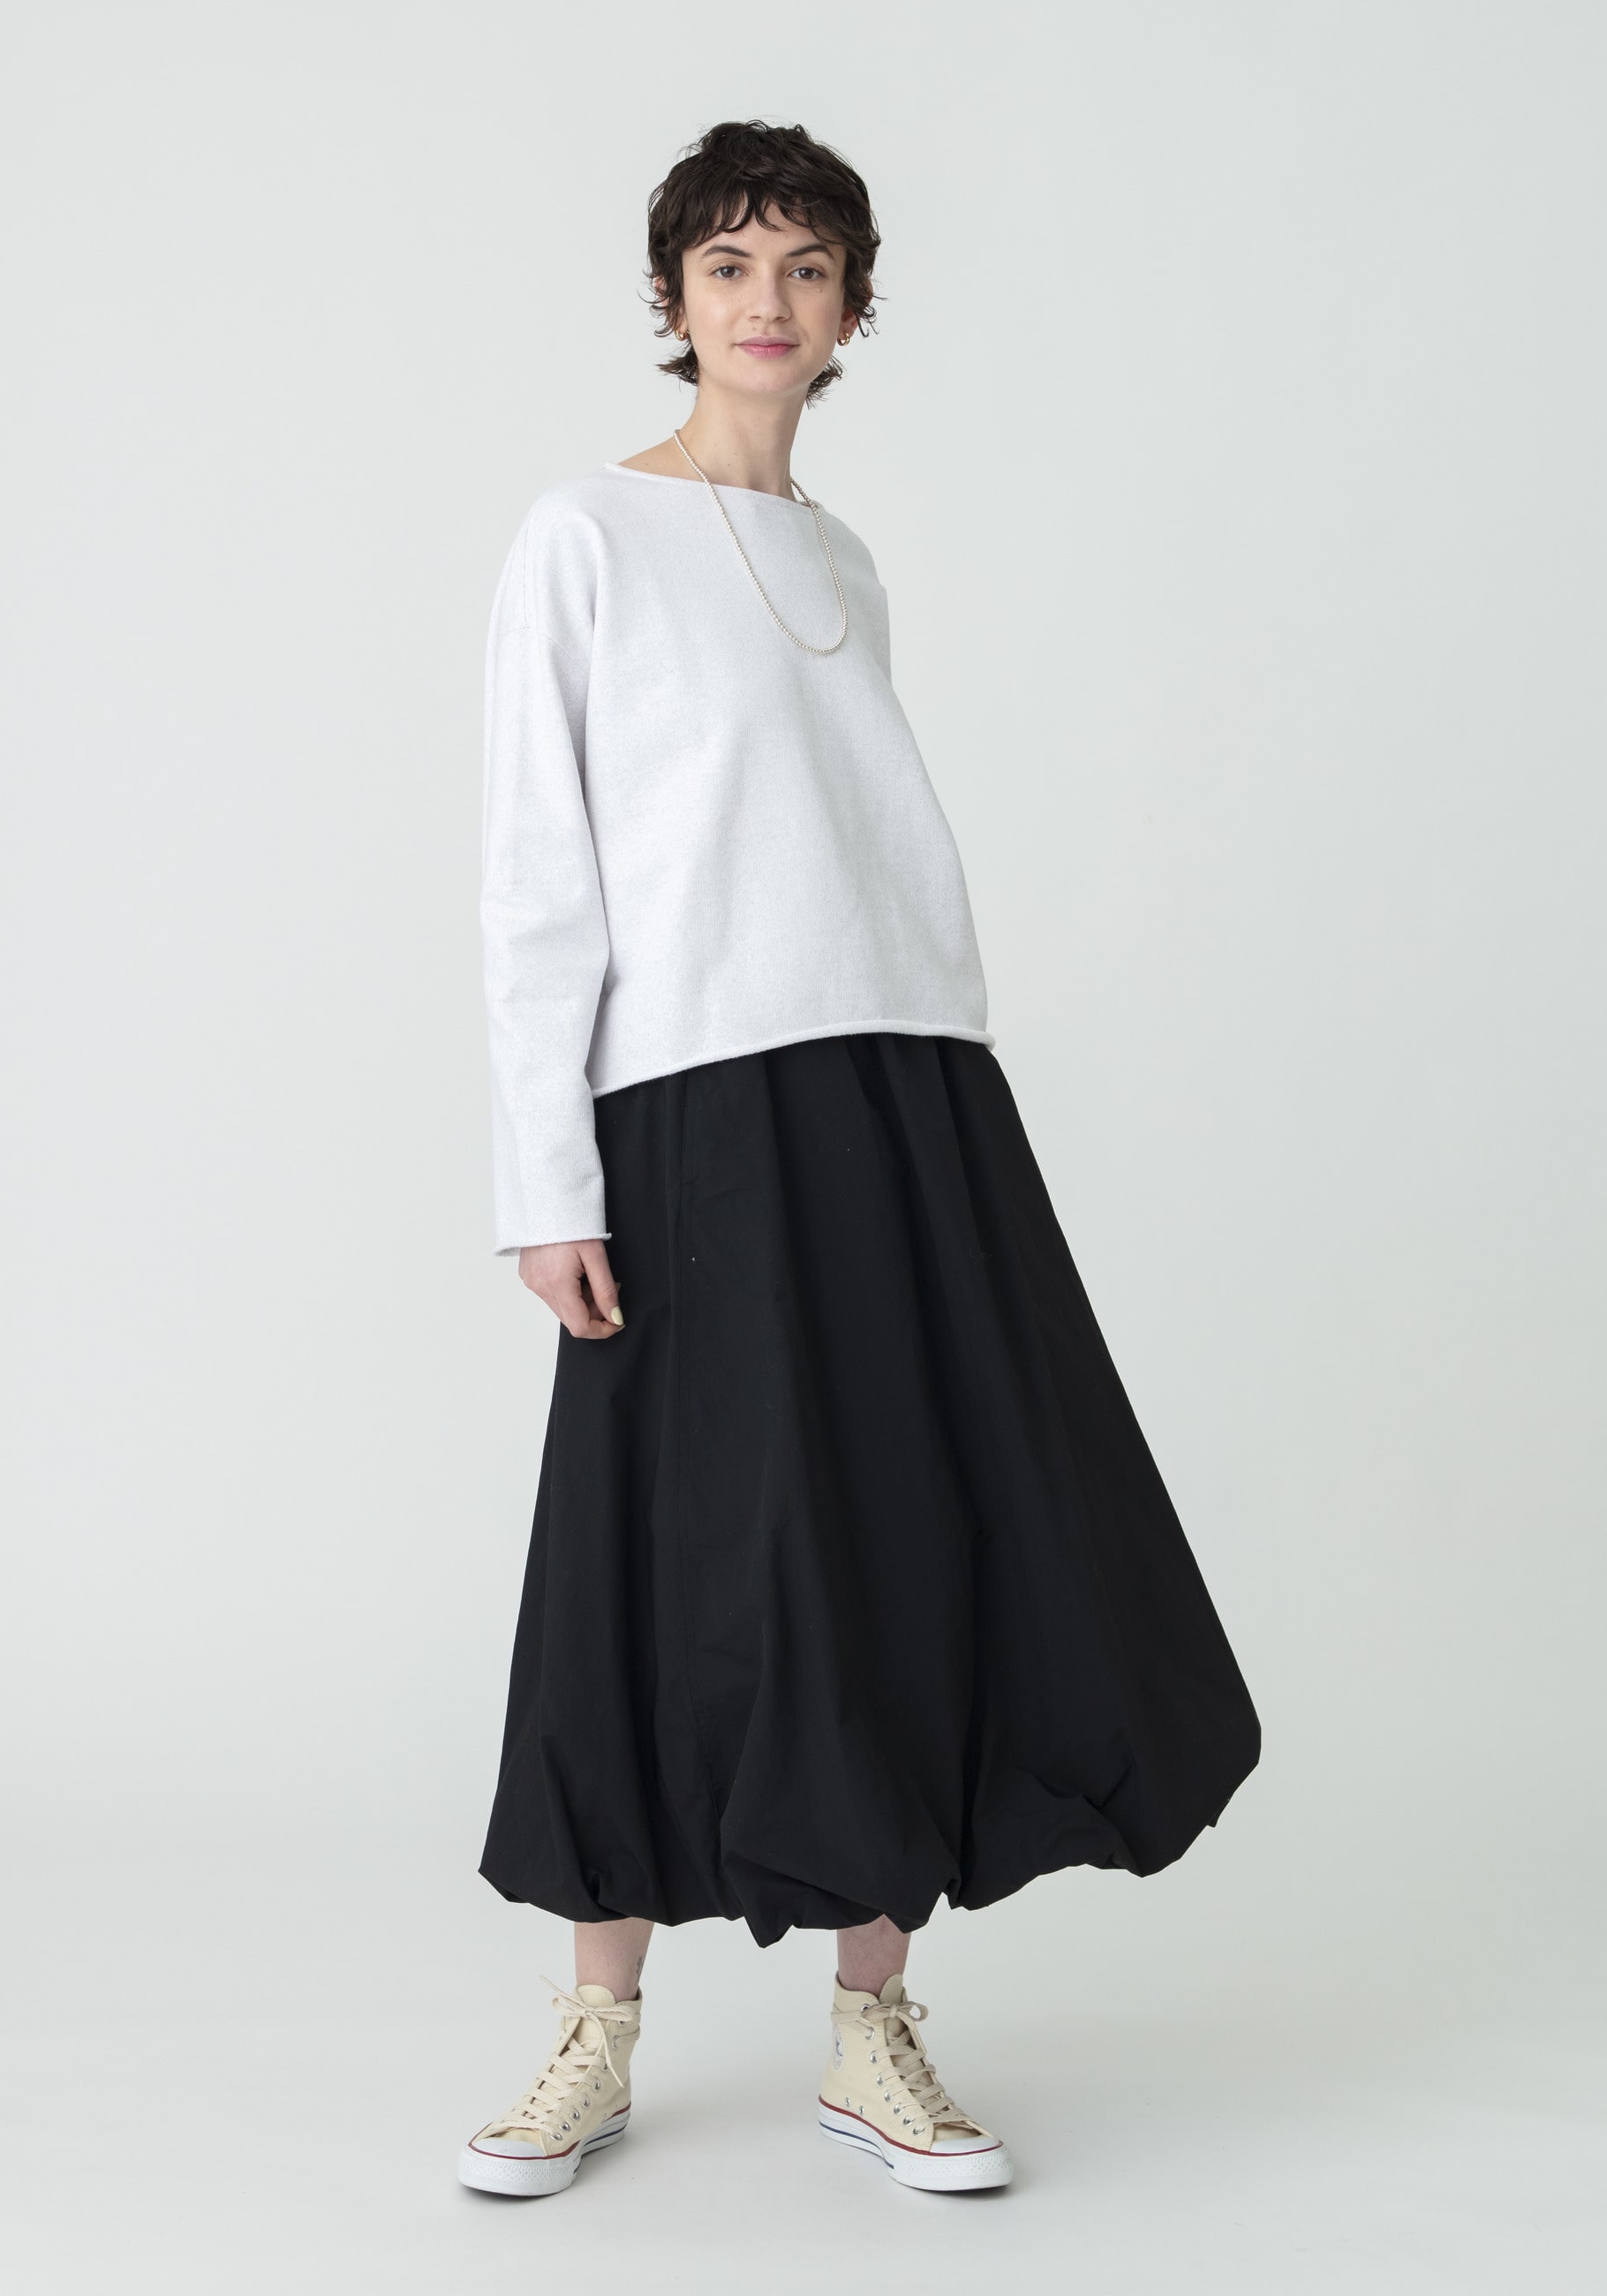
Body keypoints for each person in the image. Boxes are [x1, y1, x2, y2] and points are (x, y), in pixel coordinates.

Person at [459, 118, 1260, 2201]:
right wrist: (548, 1176)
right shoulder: (583, 534)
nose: (768, 300)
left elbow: (868, 850)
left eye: (807, 267)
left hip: (903, 1087)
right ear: (673, 299)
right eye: (730, 264)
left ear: (850, 311)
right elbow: (538, 871)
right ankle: (596, 2024)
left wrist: (947, 1078)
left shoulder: (843, 561)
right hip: (688, 1099)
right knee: (658, 1543)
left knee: (898, 1530)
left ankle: (870, 2022)